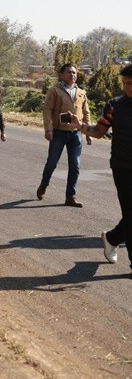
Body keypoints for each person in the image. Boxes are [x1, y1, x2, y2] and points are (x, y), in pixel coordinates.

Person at [74, 64, 132, 273]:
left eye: (131, 83)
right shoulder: (114, 105)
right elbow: (98, 131)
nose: (128, 87)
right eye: (125, 83)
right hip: (123, 166)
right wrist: (80, 126)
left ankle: (112, 237)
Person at [36, 63, 91, 207]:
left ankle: (70, 196)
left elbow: (86, 113)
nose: (72, 75)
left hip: (75, 134)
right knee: (52, 163)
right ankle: (44, 184)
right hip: (58, 132)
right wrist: (48, 129)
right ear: (62, 75)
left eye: (74, 72)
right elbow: (47, 109)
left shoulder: (81, 93)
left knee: (75, 165)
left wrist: (88, 131)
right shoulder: (55, 90)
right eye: (69, 72)